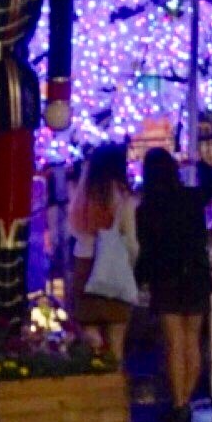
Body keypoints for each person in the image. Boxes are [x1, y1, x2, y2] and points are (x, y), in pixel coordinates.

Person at [136, 148, 212, 422]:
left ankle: (178, 402)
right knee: (193, 341)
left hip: (165, 278)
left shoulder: (146, 209)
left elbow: (145, 251)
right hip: (195, 275)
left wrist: (140, 279)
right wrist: (198, 162)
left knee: (174, 343)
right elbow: (211, 187)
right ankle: (186, 401)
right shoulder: (192, 199)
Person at [68, 143, 139, 360]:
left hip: (83, 265)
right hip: (113, 267)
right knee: (116, 339)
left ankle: (94, 385)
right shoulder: (121, 196)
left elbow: (73, 228)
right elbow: (131, 242)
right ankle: (114, 388)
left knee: (90, 334)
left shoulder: (83, 195)